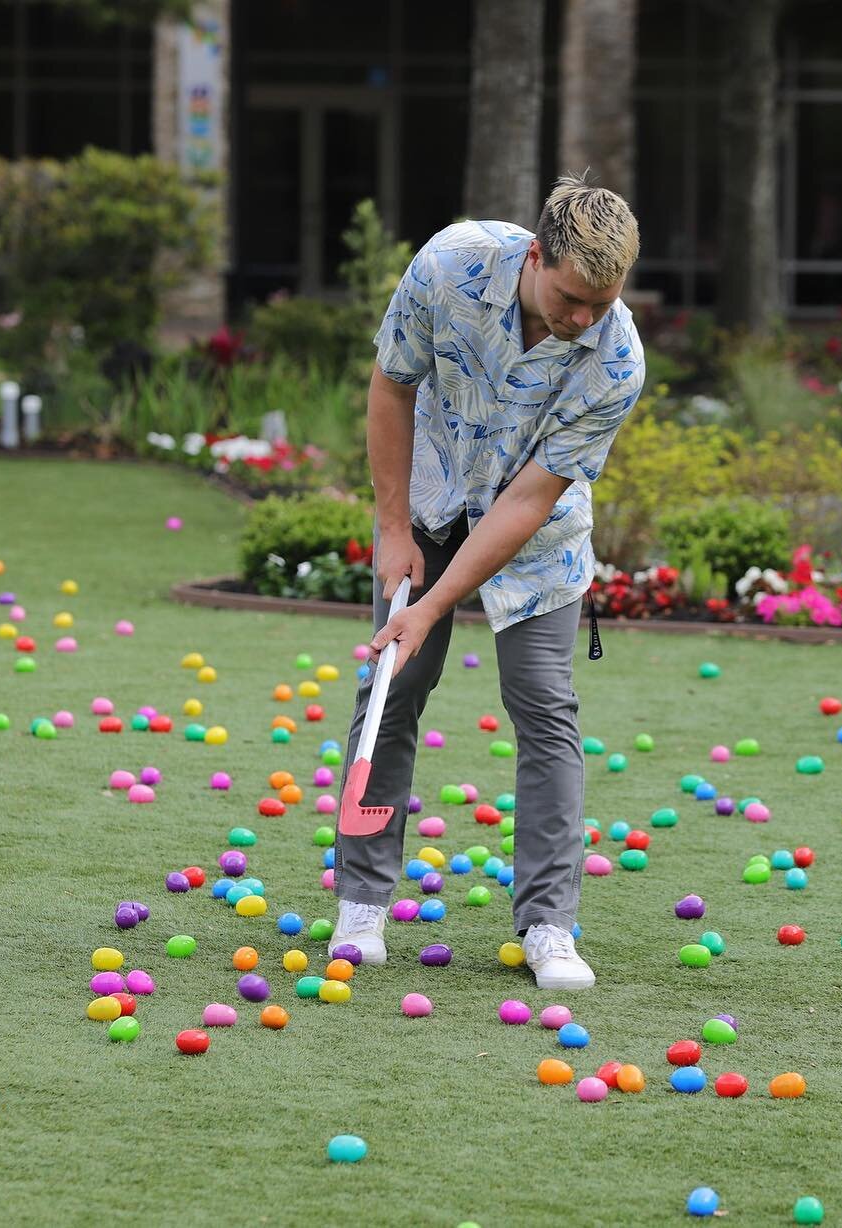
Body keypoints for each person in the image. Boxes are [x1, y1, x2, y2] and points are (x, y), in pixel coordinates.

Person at [331, 174, 644, 990]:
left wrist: (435, 605)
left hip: (534, 539)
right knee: (393, 690)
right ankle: (361, 903)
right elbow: (393, 387)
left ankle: (549, 923)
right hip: (430, 495)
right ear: (537, 255)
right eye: (572, 297)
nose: (581, 319)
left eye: (600, 304)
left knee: (545, 706)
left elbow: (531, 499)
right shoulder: (450, 268)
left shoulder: (615, 359)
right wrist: (395, 530)